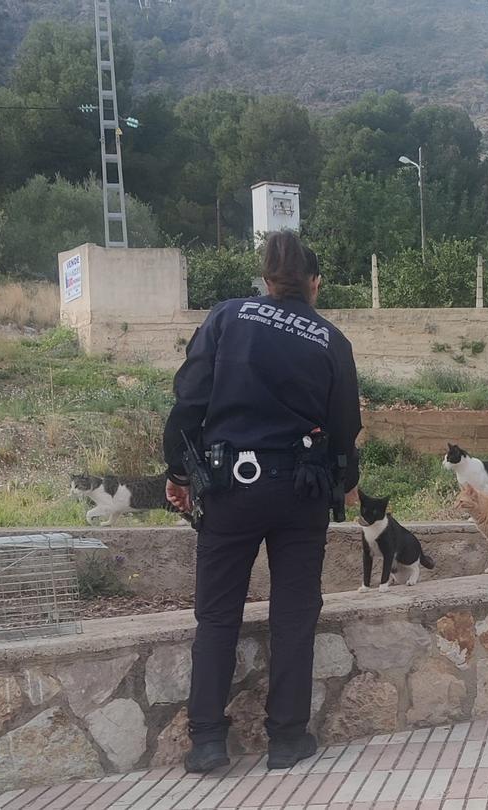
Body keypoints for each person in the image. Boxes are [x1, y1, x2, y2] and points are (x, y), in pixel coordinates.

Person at [162, 230, 362, 773]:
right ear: (314, 283)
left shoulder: (227, 317)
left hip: (230, 487)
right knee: (295, 614)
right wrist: (346, 481)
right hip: (302, 492)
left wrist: (178, 472)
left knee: (217, 614)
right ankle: (287, 738)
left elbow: (189, 400)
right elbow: (345, 429)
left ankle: (207, 741)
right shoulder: (331, 340)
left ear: (266, 278)